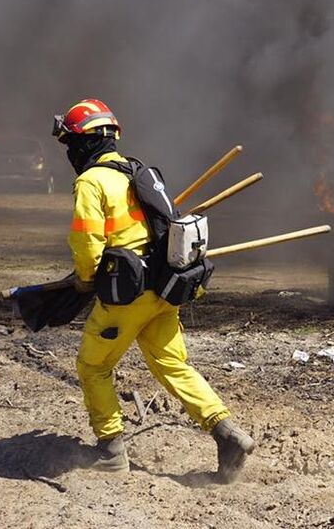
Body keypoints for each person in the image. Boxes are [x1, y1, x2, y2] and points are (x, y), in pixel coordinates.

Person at [53, 98, 255, 482]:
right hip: (163, 291)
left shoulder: (91, 182)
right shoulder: (136, 171)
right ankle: (226, 432)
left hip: (127, 297)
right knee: (173, 365)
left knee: (94, 366)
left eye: (70, 143)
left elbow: (88, 244)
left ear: (85, 143)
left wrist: (84, 280)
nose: (69, 152)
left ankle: (110, 450)